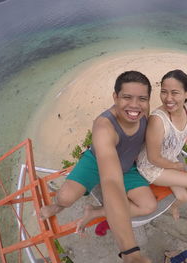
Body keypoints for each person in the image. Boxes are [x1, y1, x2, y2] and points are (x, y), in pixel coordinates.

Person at [40, 71, 157, 263]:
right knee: (65, 197)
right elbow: (111, 181)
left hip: (127, 166)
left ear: (147, 100)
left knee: (148, 205)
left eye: (142, 99)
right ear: (115, 97)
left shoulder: (144, 112)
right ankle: (56, 206)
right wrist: (130, 252)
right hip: (96, 162)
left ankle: (95, 212)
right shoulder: (104, 127)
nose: (135, 105)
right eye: (127, 97)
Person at [137, 69, 187, 220]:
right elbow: (153, 158)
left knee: (183, 196)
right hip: (151, 166)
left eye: (175, 93)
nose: (168, 98)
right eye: (164, 92)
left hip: (168, 157)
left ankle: (174, 207)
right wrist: (175, 166)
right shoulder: (158, 121)